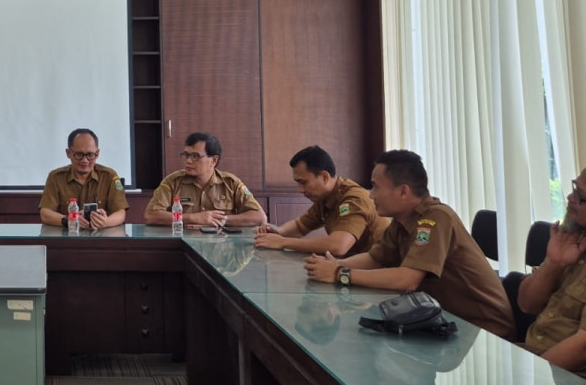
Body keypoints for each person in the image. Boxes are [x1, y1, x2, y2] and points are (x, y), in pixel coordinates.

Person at [304, 149, 515, 340]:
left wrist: (341, 274)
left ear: (403, 191)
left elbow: (408, 280)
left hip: (484, 331)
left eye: (376, 187)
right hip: (443, 322)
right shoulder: (402, 220)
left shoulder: (435, 218)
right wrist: (333, 266)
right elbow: (374, 259)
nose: (371, 194)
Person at [254, 145, 389, 256]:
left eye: (303, 182)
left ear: (324, 177)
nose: (300, 190)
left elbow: (338, 245)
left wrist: (283, 242)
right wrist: (277, 231)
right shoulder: (325, 197)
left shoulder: (354, 198)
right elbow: (300, 226)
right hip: (353, 266)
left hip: (380, 273)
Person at [517, 167, 586, 375]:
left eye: (580, 196)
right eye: (575, 187)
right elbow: (526, 304)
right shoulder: (572, 235)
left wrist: (531, 376)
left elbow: (582, 347)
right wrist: (554, 264)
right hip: (534, 358)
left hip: (569, 381)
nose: (570, 197)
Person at [146, 132, 266, 227]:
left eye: (195, 156)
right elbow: (151, 215)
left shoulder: (231, 183)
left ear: (213, 160)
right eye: (186, 155)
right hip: (183, 244)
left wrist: (220, 220)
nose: (188, 161)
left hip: (222, 247)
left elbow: (259, 217)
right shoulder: (172, 182)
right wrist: (192, 218)